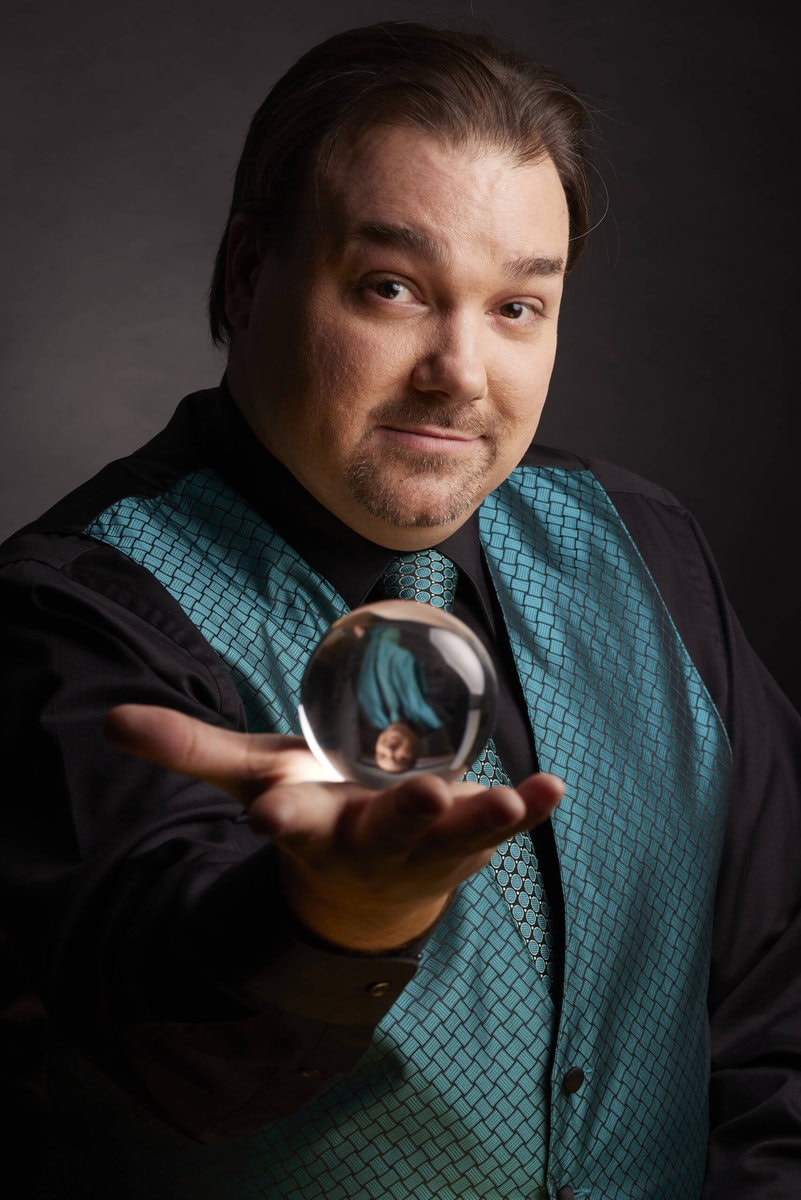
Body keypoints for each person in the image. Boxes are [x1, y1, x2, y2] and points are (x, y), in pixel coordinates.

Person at [0, 19, 798, 1200]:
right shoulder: (65, 618)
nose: (461, 371)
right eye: (392, 289)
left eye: (518, 307)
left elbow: (775, 996)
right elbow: (162, 1047)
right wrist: (335, 921)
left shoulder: (647, 551)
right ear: (245, 273)